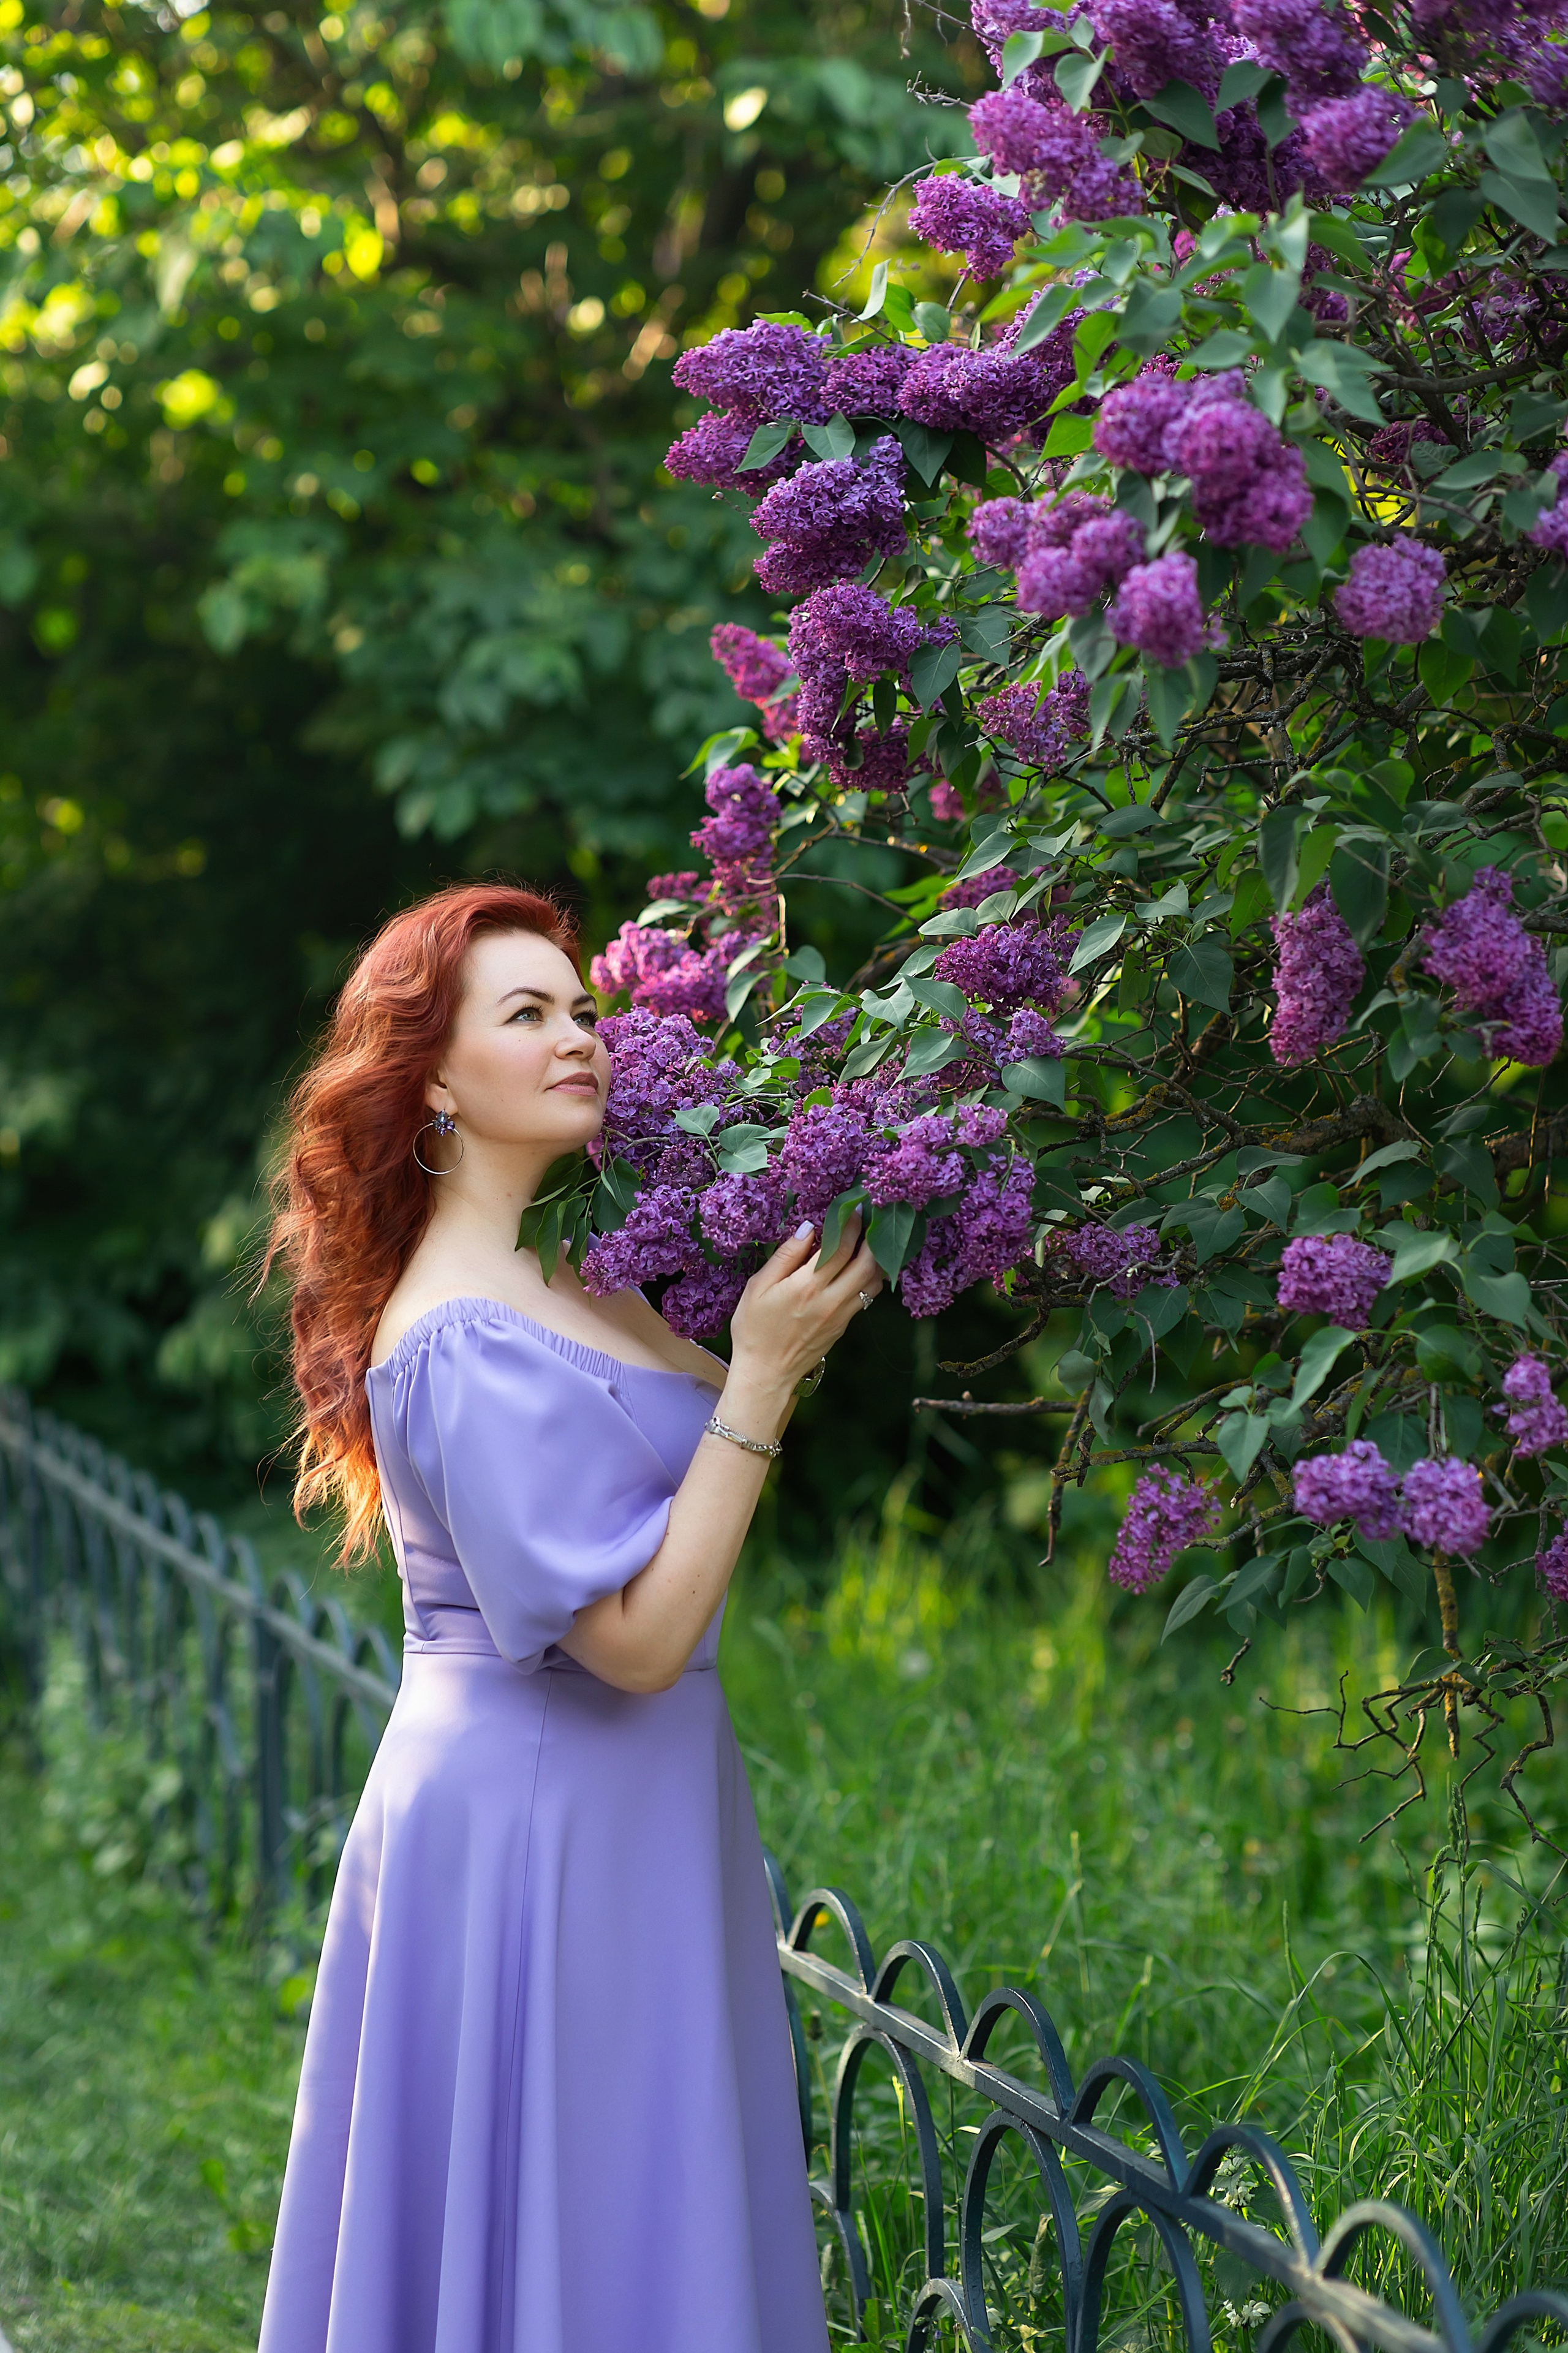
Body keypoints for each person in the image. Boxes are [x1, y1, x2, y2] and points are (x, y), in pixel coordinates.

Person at [257, 880, 881, 2353]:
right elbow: (639, 1641)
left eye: (582, 1006)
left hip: (637, 1796)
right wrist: (761, 1380)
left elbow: (691, 1483)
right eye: (524, 1014)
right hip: (535, 1817)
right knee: (573, 2200)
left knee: (636, 2194)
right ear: (432, 1081)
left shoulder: (577, 1269)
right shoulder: (459, 1332)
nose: (578, 1037)